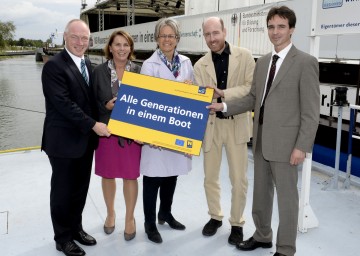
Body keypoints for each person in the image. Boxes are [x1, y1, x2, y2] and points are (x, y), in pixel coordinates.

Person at [207, 6, 320, 256]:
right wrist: (224, 106)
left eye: (281, 27)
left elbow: (311, 112)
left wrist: (301, 147)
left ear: (291, 29)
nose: (275, 32)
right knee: (261, 194)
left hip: (287, 145)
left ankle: (286, 248)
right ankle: (262, 235)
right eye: (271, 27)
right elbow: (253, 99)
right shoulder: (264, 63)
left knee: (287, 199)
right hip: (260, 142)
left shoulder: (305, 62)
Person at [41, 19, 111, 256]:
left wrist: (106, 105)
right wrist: (94, 125)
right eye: (75, 37)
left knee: (80, 188)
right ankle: (62, 238)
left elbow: (89, 101)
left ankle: (76, 229)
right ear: (65, 37)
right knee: (62, 190)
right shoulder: (54, 66)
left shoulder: (88, 64)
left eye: (84, 38)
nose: (80, 42)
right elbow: (64, 104)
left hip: (85, 141)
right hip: (62, 142)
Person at [193, 17, 255, 245]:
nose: (212, 39)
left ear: (224, 31)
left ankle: (237, 223)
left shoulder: (245, 56)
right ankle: (215, 216)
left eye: (215, 33)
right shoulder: (199, 66)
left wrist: (223, 93)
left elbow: (251, 88)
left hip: (237, 122)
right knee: (210, 177)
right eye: (207, 34)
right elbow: (200, 96)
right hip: (211, 126)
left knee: (238, 179)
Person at [140, 17, 194, 244]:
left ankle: (166, 213)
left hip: (177, 130)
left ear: (177, 39)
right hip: (156, 132)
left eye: (171, 36)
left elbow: (193, 99)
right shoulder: (148, 65)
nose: (167, 40)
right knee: (153, 177)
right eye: (163, 35)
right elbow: (146, 99)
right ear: (157, 39)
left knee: (172, 174)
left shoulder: (186, 63)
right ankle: (150, 223)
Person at [92, 30, 142, 241]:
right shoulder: (98, 71)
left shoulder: (139, 71)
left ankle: (130, 218)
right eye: (117, 44)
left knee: (130, 176)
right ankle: (111, 213)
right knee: (108, 174)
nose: (122, 49)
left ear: (130, 48)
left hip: (131, 134)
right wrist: (105, 105)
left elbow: (149, 103)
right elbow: (90, 101)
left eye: (126, 45)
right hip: (107, 131)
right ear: (110, 48)